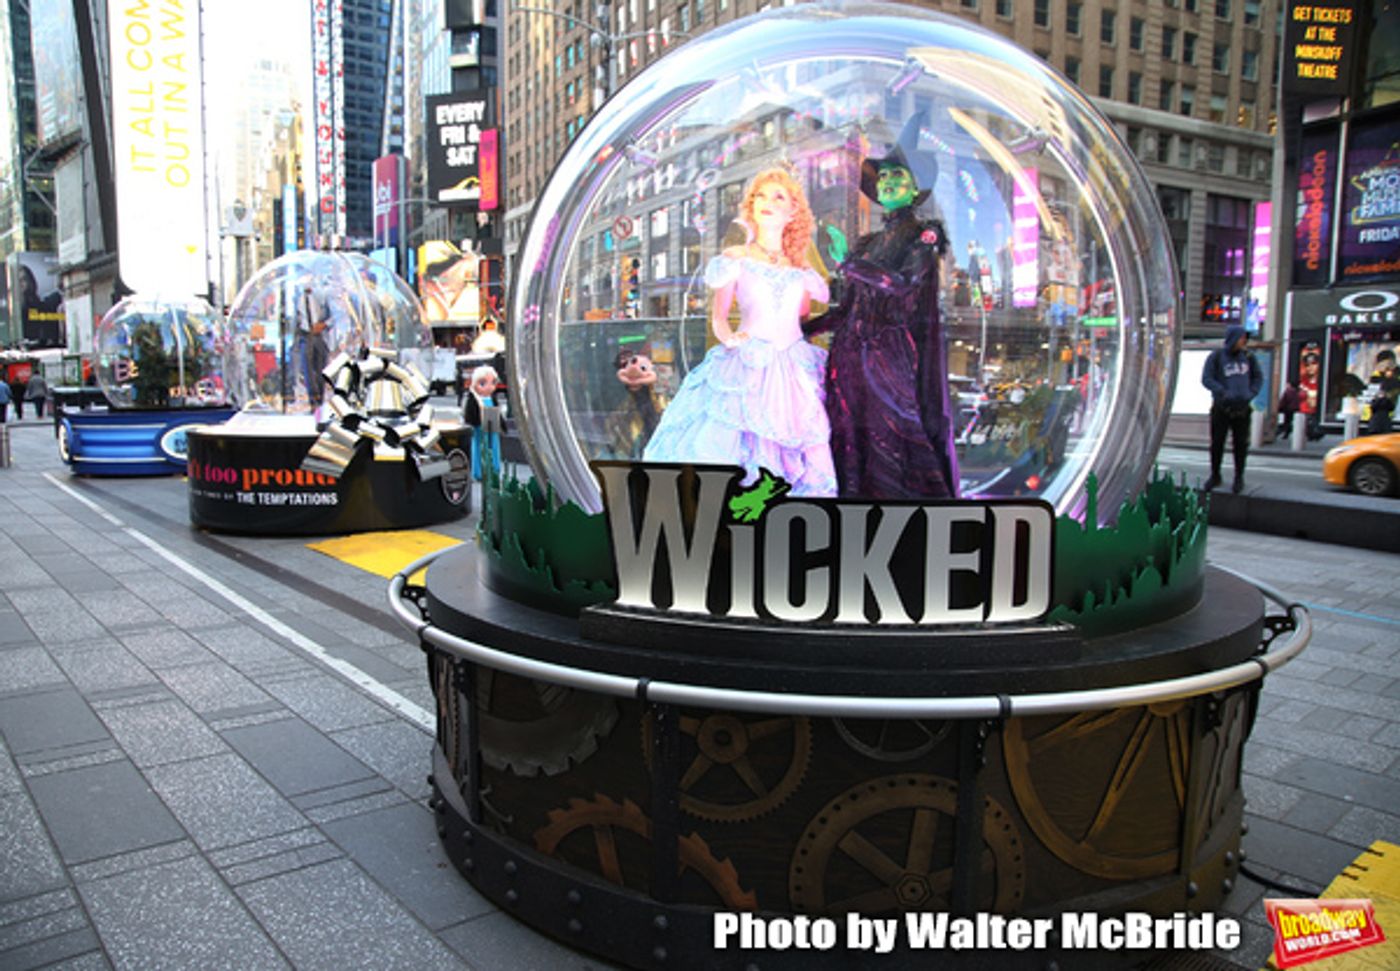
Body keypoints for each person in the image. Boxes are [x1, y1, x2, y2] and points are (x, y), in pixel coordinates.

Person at [642, 167, 836, 496]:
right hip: (747, 360)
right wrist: (730, 339)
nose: (767, 202)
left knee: (797, 443)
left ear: (793, 212)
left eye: (778, 197)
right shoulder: (736, 259)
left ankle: (783, 515)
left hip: (793, 368)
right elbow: (720, 316)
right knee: (733, 438)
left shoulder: (799, 269)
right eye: (761, 195)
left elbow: (802, 314)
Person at [806, 123, 960, 499]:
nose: (888, 182)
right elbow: (847, 309)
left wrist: (847, 263)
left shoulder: (926, 234)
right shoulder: (868, 242)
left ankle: (905, 521)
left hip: (889, 359)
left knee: (892, 433)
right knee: (849, 434)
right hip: (848, 360)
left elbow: (901, 282)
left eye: (898, 176)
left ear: (914, 188)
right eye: (885, 176)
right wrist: (796, 330)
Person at [1201, 324, 1263, 493]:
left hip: (1243, 407)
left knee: (1241, 444)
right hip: (1222, 407)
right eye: (1241, 338)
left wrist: (1251, 393)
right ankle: (1215, 475)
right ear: (1233, 338)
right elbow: (1207, 378)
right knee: (1217, 443)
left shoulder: (1249, 358)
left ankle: (1238, 477)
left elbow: (1258, 377)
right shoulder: (1216, 357)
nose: (1244, 341)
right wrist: (1222, 392)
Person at [463, 364, 504, 480]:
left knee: (494, 445)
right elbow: (470, 414)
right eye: (482, 383)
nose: (489, 387)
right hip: (478, 426)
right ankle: (479, 471)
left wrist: (502, 424)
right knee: (479, 446)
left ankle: (494, 469)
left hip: (492, 423)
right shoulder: (474, 399)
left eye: (493, 383)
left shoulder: (491, 398)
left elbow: (498, 412)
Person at [295, 284, 330, 407]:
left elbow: (333, 316)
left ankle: (320, 397)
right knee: (307, 369)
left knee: (321, 368)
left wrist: (324, 325)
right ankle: (313, 399)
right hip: (305, 335)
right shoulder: (296, 297)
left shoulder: (322, 296)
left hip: (319, 335)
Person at [1366, 350, 1398, 435]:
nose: (1388, 369)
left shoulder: (1396, 377)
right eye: (1384, 366)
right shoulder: (1375, 379)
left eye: (1390, 365)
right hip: (1376, 420)